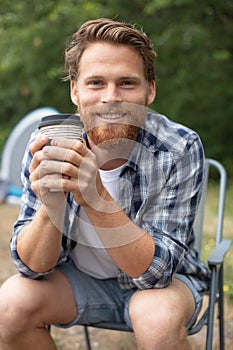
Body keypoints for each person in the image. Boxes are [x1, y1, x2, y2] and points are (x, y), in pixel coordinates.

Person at [0, 18, 209, 350]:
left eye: (127, 83)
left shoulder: (178, 147)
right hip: (82, 281)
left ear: (150, 90)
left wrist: (95, 196)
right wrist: (49, 207)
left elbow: (155, 275)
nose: (111, 98)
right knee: (10, 304)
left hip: (163, 287)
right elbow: (31, 267)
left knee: (154, 317)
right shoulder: (48, 144)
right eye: (96, 82)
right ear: (74, 90)